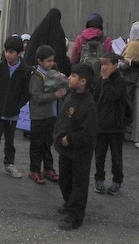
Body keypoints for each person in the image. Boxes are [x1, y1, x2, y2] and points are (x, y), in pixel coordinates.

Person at [54, 63, 97, 231]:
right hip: (65, 150)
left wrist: (70, 138)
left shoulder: (89, 105)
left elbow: (88, 133)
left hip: (79, 153)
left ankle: (75, 216)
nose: (70, 78)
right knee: (65, 179)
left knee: (79, 183)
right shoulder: (70, 96)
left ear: (83, 81)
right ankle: (69, 203)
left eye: (73, 76)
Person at [0, 35, 32, 178]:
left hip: (13, 113)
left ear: (19, 53)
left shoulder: (25, 70)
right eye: (6, 51)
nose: (8, 54)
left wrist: (17, 106)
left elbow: (26, 93)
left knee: (10, 141)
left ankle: (9, 164)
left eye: (11, 52)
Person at [28, 44, 68, 184]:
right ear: (39, 61)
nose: (51, 63)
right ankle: (34, 171)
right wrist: (55, 95)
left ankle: (48, 169)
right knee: (37, 144)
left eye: (52, 60)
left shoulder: (53, 73)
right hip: (39, 116)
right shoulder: (36, 76)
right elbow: (37, 97)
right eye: (48, 61)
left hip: (51, 115)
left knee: (47, 143)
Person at [92, 52, 128, 195]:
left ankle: (117, 180)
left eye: (107, 64)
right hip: (101, 124)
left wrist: (106, 79)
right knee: (99, 154)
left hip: (116, 125)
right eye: (102, 64)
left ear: (115, 65)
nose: (104, 67)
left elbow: (113, 97)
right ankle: (99, 178)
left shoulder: (121, 81)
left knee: (116, 156)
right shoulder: (101, 80)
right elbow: (96, 98)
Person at [24, 7, 72, 76]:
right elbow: (60, 54)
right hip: (53, 73)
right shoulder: (59, 33)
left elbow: (30, 51)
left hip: (34, 71)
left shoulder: (38, 32)